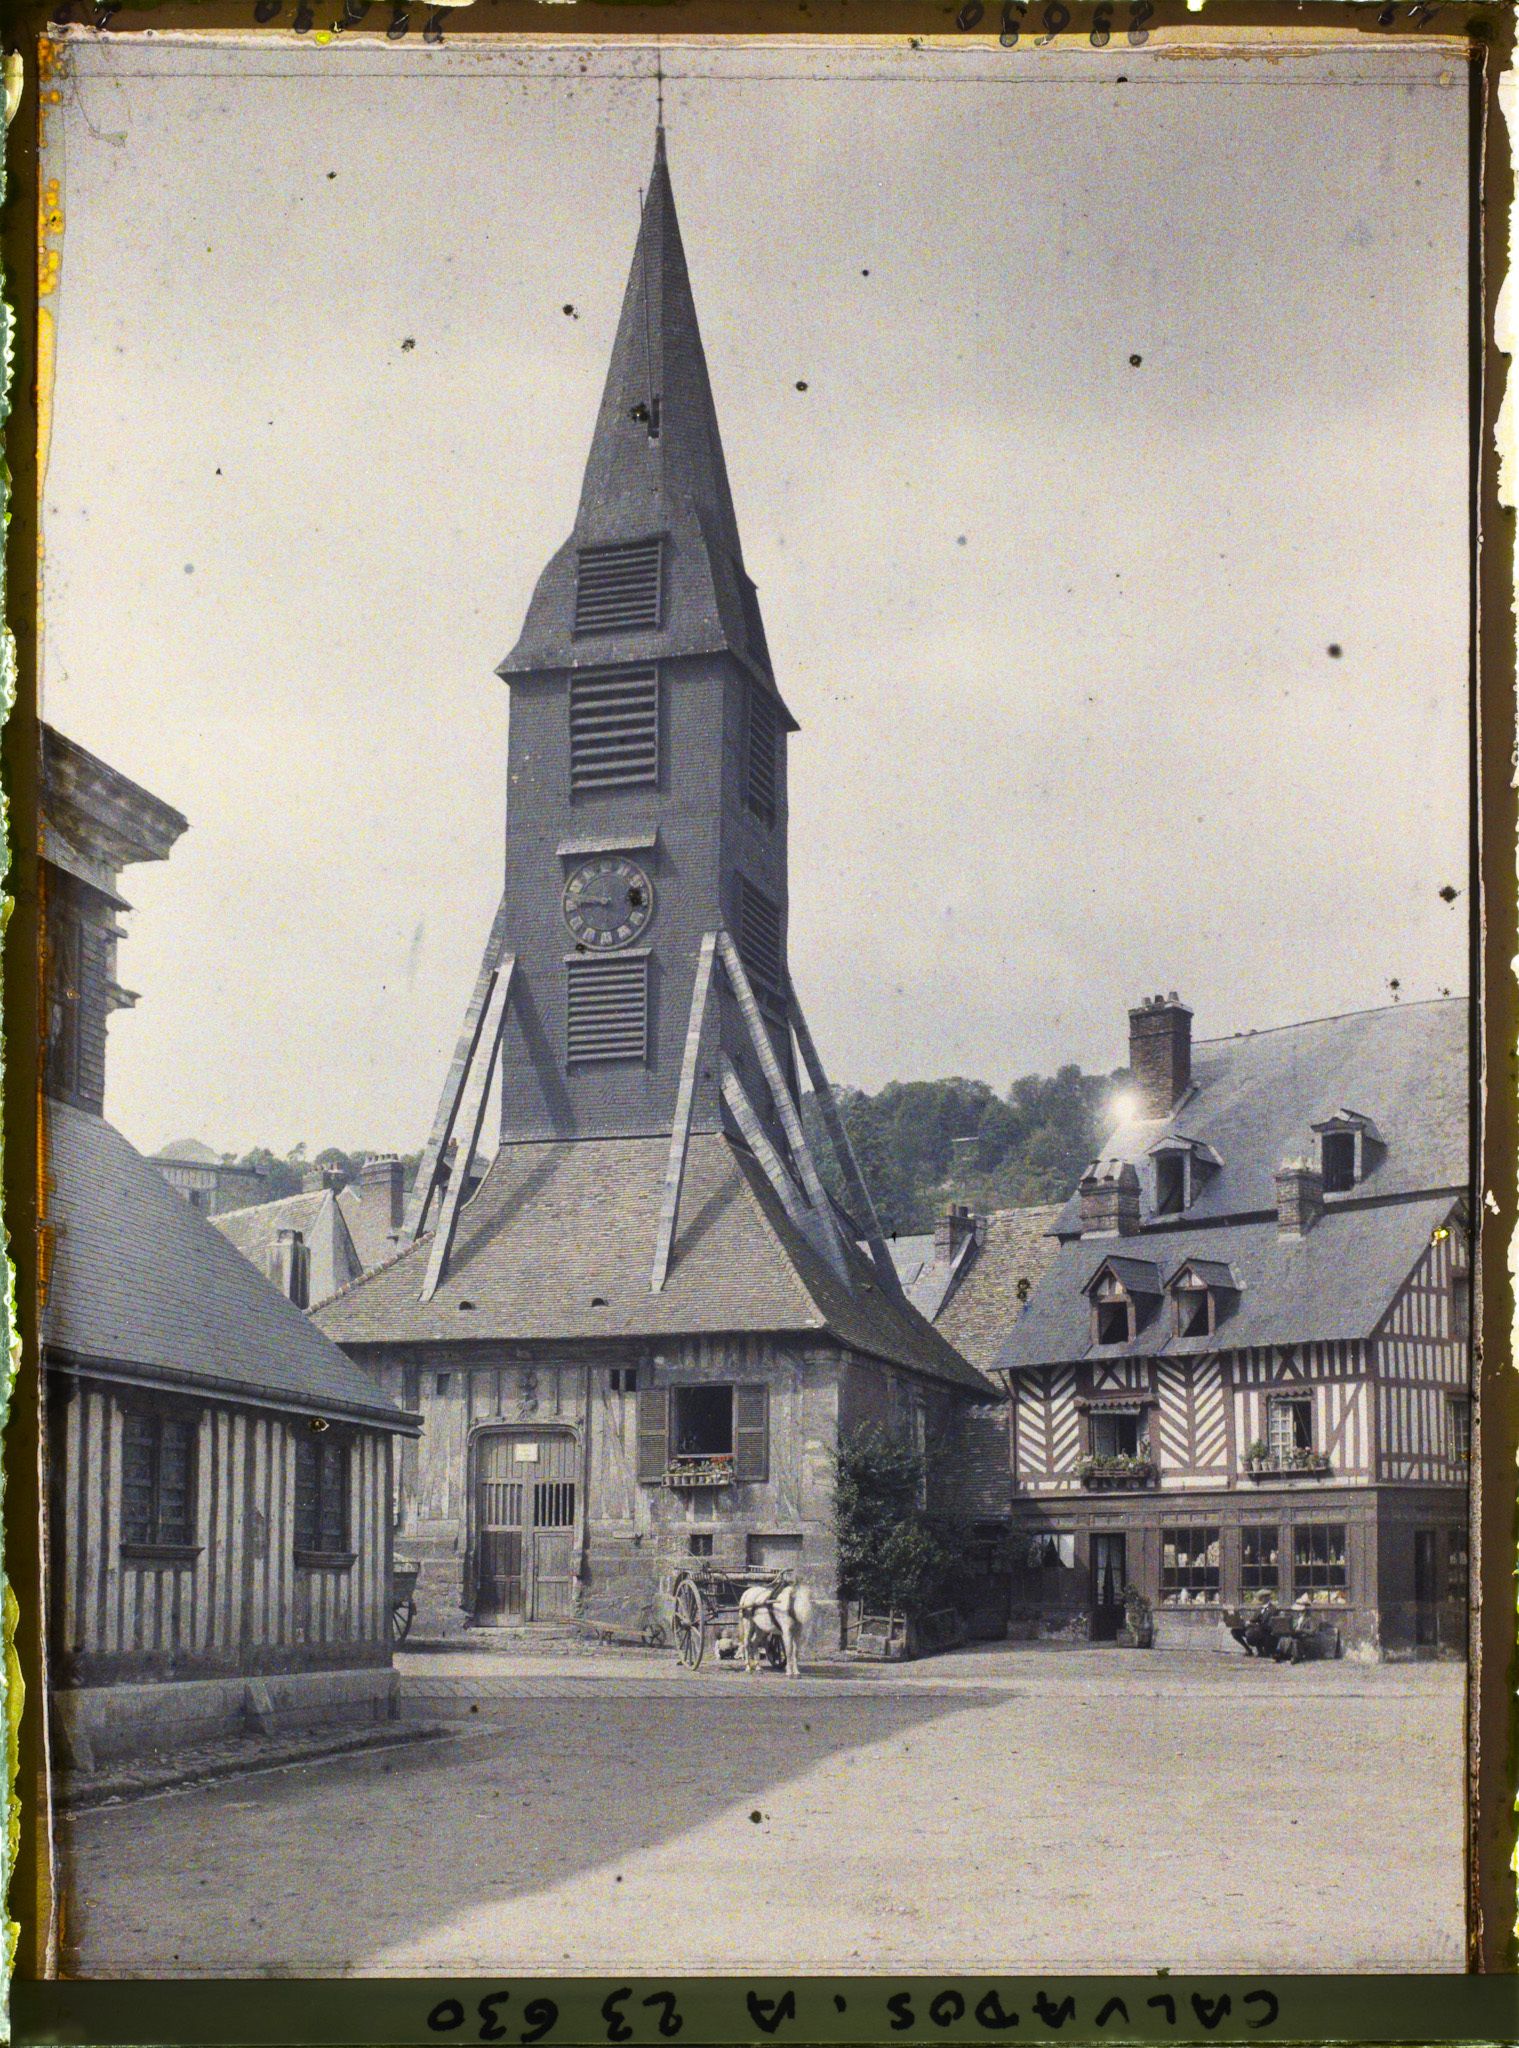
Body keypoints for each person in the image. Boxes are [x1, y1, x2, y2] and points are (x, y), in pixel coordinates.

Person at [1230, 1588, 1279, 1657]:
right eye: (1260, 1598)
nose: (1261, 1599)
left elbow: (1269, 1625)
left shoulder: (1273, 1609)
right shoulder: (1260, 1609)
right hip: (1256, 1630)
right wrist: (1245, 1622)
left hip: (1266, 1633)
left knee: (1251, 1633)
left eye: (1262, 1597)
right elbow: (1254, 1619)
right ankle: (1248, 1650)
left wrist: (1253, 1625)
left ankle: (1261, 1651)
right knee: (1235, 1631)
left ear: (1267, 1598)